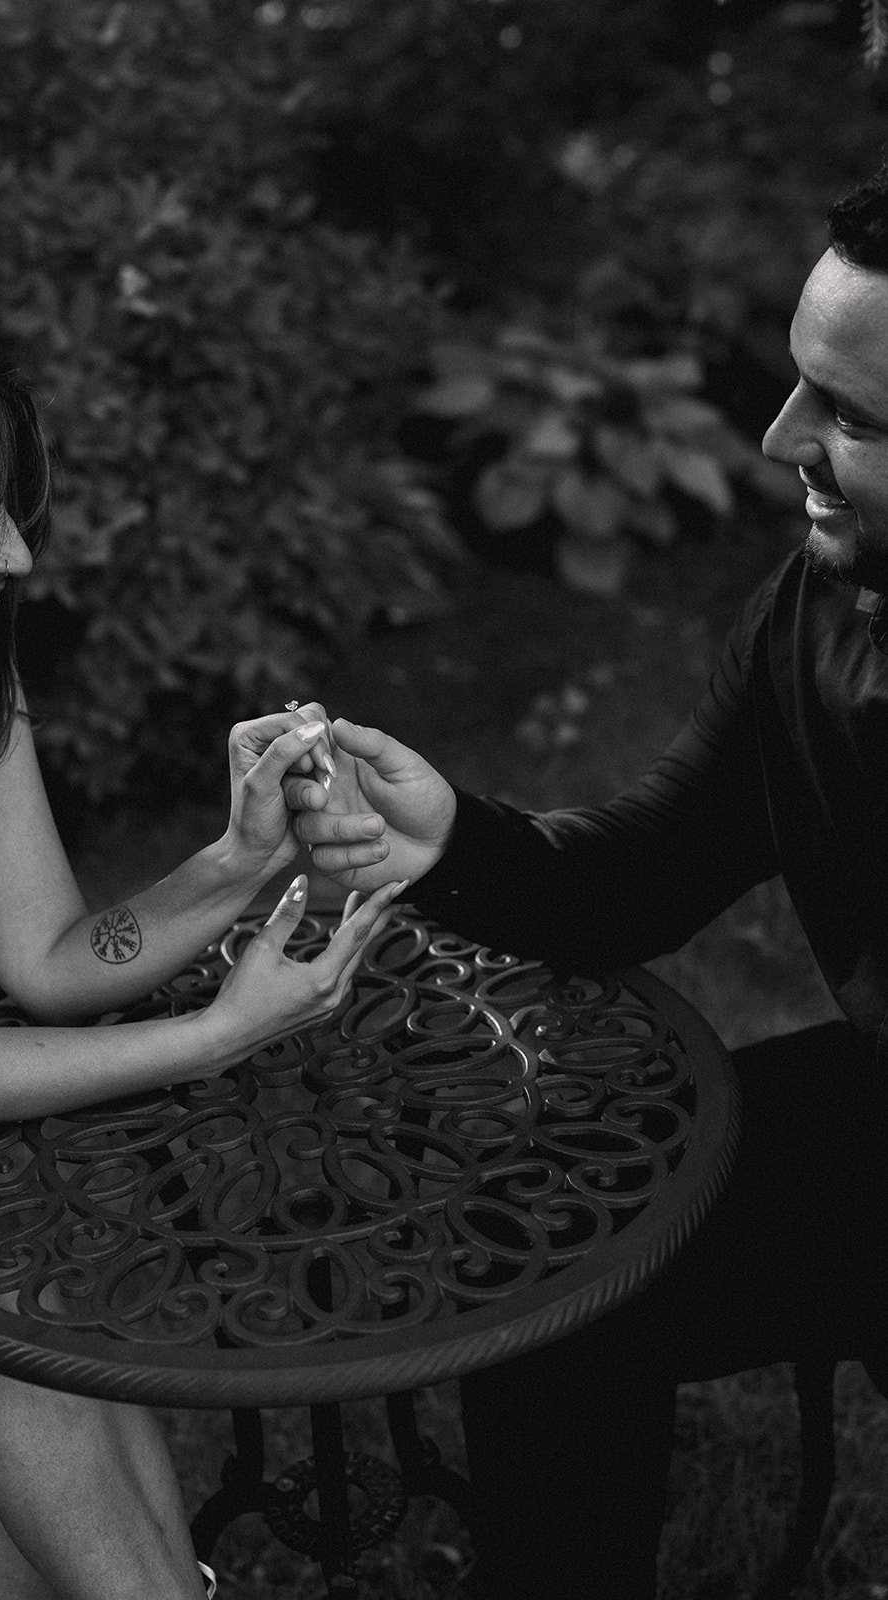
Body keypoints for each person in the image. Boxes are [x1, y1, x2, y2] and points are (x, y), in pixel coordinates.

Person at [286, 162, 888, 1598]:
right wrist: (444, 840)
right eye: (801, 386)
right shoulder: (823, 611)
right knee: (555, 1255)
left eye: (856, 418)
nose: (778, 437)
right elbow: (640, 879)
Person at [0, 288, 406, 1600]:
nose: (19, 560)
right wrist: (212, 1032)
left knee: (49, 1364)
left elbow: (45, 957)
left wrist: (237, 859)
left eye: (14, 514)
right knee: (4, 1337)